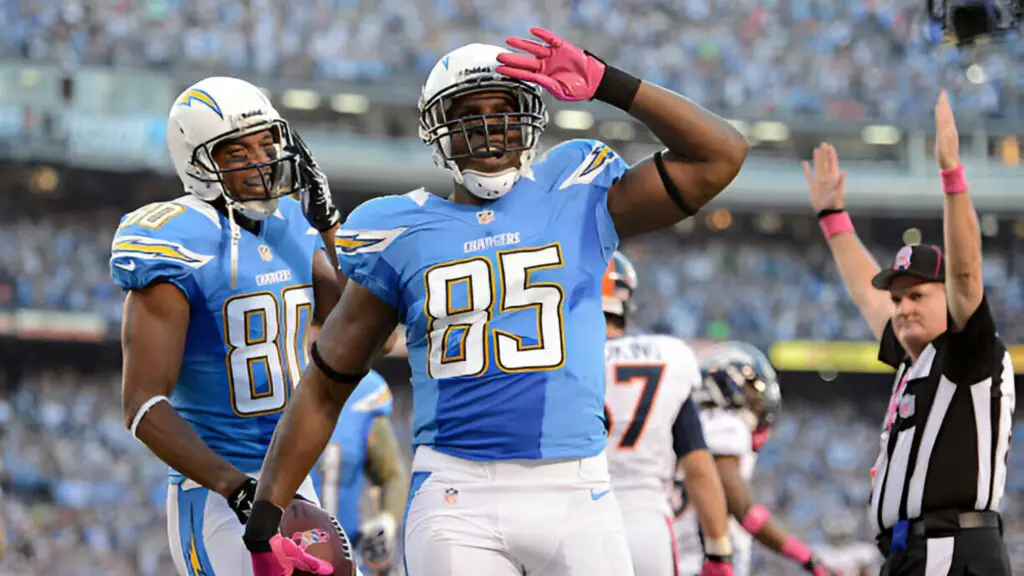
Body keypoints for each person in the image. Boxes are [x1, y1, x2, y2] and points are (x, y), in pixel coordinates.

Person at [243, 27, 749, 576]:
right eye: (469, 115)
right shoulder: (400, 231)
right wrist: (263, 521)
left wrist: (611, 83)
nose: (488, 130)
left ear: (529, 119)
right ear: (440, 133)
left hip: (578, 488)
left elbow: (720, 154)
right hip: (459, 496)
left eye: (502, 112)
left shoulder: (577, 192)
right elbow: (324, 385)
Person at [112, 76, 341, 575]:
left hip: (293, 479)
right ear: (199, 163)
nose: (262, 162)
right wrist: (236, 487)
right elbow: (142, 404)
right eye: (238, 152)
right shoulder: (177, 242)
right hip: (221, 493)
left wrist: (328, 223)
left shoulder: (294, 226)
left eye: (267, 144)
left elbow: (360, 318)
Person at [805, 92, 1013, 575]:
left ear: (948, 301)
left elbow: (965, 274)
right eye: (899, 299)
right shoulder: (914, 359)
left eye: (918, 296)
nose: (902, 309)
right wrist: (833, 218)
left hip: (951, 548)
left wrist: (951, 177)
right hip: (913, 553)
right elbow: (866, 293)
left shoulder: (967, 354)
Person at [601, 251, 735, 576]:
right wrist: (719, 550)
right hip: (647, 524)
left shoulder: (560, 361)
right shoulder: (668, 357)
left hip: (578, 523)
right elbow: (698, 465)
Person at [675, 342, 839, 576]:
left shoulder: (693, 422)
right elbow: (742, 508)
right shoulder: (724, 423)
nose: (760, 399)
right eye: (752, 389)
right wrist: (807, 557)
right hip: (700, 563)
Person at [312, 346, 408, 576]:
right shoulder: (276, 387)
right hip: (283, 555)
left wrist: (385, 521)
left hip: (349, 557)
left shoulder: (366, 392)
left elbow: (392, 476)